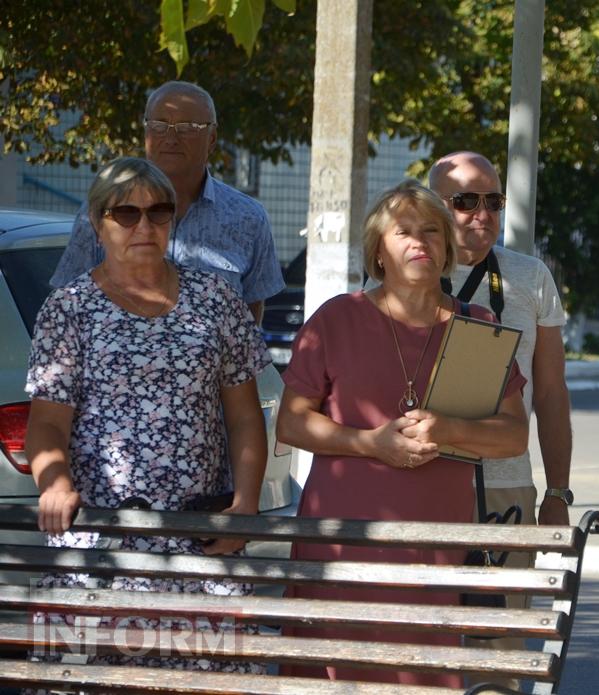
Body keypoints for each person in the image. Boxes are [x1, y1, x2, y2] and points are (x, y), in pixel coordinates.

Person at [274, 180, 528, 687]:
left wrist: (451, 427)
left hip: (433, 546)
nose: (421, 242)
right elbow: (291, 420)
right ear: (379, 252)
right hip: (342, 543)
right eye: (404, 231)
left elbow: (514, 435)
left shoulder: (477, 326)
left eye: (432, 231)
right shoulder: (337, 319)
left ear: (449, 248)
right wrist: (370, 443)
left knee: (419, 676)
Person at [25, 156, 270, 674]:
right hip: (100, 541)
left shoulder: (217, 300)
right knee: (87, 682)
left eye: (158, 212)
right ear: (98, 223)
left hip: (198, 538)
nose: (144, 225)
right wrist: (55, 480)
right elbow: (46, 423)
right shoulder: (68, 309)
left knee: (207, 684)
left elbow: (246, 417)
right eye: (126, 213)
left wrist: (245, 505)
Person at [428, 150, 573, 686]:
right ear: (434, 205)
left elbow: (553, 393)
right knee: (420, 640)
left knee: (498, 650)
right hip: (419, 486)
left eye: (492, 201)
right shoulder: (408, 272)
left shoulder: (529, 276)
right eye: (464, 200)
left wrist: (558, 492)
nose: (480, 214)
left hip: (507, 492)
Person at [50, 80, 283, 322]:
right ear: (146, 133)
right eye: (159, 125)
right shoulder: (105, 211)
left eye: (186, 127)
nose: (171, 138)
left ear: (212, 138)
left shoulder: (248, 218)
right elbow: (69, 300)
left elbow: (251, 315)